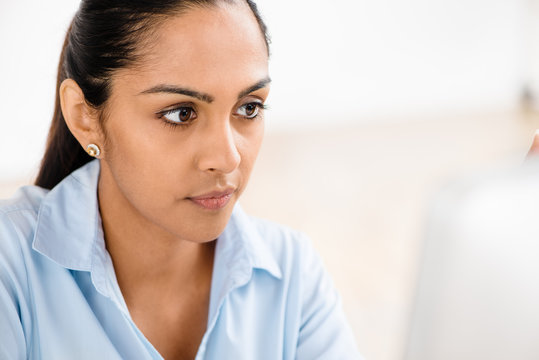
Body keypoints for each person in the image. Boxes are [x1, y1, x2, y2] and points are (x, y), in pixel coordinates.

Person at [0, 1, 361, 359]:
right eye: (181, 113)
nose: (228, 158)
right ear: (84, 118)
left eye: (249, 107)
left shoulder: (292, 275)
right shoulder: (10, 268)